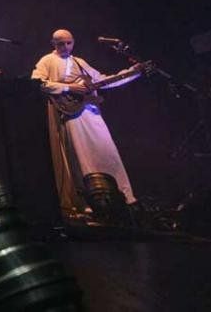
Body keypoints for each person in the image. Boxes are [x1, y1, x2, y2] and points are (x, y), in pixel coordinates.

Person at [31, 28, 143, 219]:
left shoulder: (79, 61)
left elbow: (101, 80)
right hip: (71, 114)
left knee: (107, 151)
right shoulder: (47, 60)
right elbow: (39, 82)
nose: (66, 47)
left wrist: (131, 73)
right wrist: (69, 87)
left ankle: (124, 196)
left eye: (69, 43)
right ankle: (89, 201)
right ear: (53, 44)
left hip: (91, 112)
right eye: (61, 43)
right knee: (81, 157)